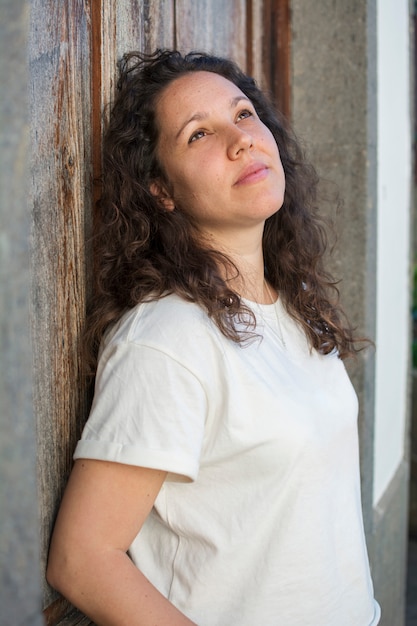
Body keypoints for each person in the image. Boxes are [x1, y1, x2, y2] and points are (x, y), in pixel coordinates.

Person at [46, 49, 380, 626]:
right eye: (199, 133)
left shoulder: (292, 297)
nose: (240, 139)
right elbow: (82, 560)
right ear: (162, 191)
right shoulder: (167, 339)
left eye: (244, 115)